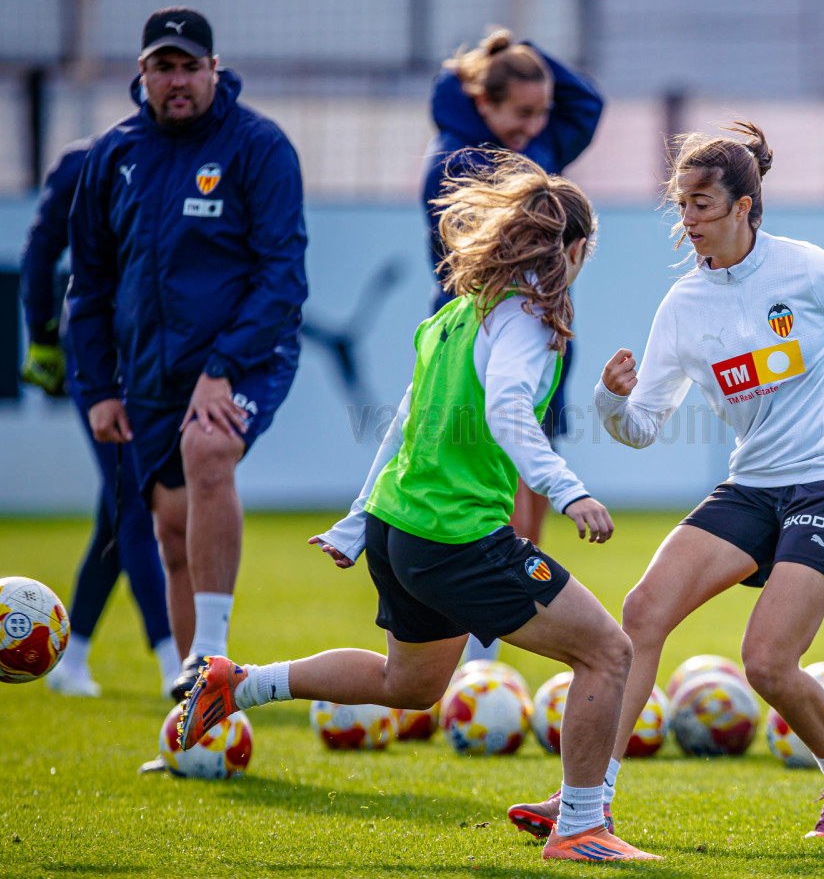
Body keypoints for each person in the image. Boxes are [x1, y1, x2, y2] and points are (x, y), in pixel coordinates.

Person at [508, 120, 824, 840]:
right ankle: (588, 801)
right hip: (755, 486)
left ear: (743, 205)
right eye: (681, 204)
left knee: (766, 662)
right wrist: (610, 399)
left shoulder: (814, 271)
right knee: (641, 612)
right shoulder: (683, 306)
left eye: (701, 203)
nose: (688, 218)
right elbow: (642, 427)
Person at [181, 155, 658, 863]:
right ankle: (582, 825)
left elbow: (403, 424)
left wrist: (357, 521)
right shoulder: (528, 320)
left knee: (407, 684)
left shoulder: (454, 317)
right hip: (457, 536)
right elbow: (506, 410)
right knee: (609, 653)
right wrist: (569, 491)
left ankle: (240, 682)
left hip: (399, 528)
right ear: (576, 247)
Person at [66, 7, 308, 703]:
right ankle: (196, 695)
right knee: (170, 533)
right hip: (148, 372)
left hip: (247, 356)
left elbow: (283, 276)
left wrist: (221, 368)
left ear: (214, 69)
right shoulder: (113, 155)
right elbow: (89, 284)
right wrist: (97, 387)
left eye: (189, 67)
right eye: (163, 67)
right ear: (142, 73)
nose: (177, 81)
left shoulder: (258, 146)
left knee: (209, 448)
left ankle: (210, 653)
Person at [421, 27, 604, 662]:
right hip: (479, 340)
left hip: (541, 328)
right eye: (521, 112)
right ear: (482, 101)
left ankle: (483, 656)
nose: (535, 125)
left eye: (542, 111)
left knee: (527, 494)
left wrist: (514, 45)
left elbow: (588, 103)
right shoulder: (455, 162)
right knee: (480, 492)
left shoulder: (537, 142)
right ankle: (466, 653)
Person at [19, 138, 179, 698]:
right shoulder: (87, 164)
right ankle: (175, 664)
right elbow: (40, 251)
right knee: (134, 500)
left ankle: (72, 659)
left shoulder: (184, 159)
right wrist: (42, 336)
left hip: (156, 353)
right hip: (97, 353)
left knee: (119, 510)